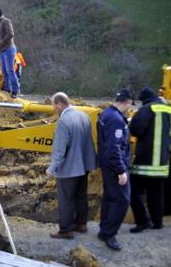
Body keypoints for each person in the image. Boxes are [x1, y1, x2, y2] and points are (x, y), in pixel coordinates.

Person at [46, 92, 97, 239]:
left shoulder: (63, 121)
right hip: (84, 166)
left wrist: (52, 168)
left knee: (66, 199)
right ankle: (81, 224)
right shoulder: (84, 116)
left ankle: (66, 230)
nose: (54, 109)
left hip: (69, 169)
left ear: (60, 104)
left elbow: (60, 149)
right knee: (81, 195)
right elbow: (88, 142)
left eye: (54, 106)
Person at [129, 87, 171, 232]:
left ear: (144, 99)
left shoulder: (146, 109)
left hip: (145, 163)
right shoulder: (168, 110)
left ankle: (142, 222)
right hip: (162, 163)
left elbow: (135, 130)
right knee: (156, 194)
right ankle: (157, 223)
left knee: (134, 193)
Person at [97, 89, 134, 250]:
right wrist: (120, 171)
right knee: (122, 200)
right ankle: (109, 234)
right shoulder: (116, 120)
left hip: (107, 164)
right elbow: (114, 148)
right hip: (114, 166)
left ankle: (104, 229)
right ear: (127, 102)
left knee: (110, 197)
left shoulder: (106, 114)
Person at [0, 8, 19, 98]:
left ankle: (15, 90)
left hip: (9, 49)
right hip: (2, 51)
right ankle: (7, 89)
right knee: (4, 71)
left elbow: (10, 34)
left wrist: (0, 44)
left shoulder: (6, 21)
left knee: (10, 70)